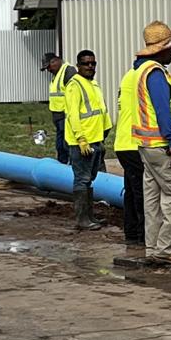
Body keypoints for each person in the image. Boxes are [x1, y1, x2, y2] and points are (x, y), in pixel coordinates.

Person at [131, 21, 171, 264]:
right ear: (160, 49)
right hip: (162, 146)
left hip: (147, 147)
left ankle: (153, 248)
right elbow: (162, 111)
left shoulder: (141, 70)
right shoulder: (156, 74)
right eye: (170, 46)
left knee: (153, 197)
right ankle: (166, 249)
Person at [63, 49, 112, 231]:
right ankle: (82, 219)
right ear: (78, 66)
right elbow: (72, 115)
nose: (90, 66)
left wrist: (104, 133)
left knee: (89, 179)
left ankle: (89, 216)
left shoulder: (93, 84)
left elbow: (101, 111)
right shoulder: (75, 85)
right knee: (82, 179)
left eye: (93, 63)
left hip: (96, 140)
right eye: (86, 63)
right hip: (82, 143)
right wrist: (81, 138)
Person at [114, 59, 147, 247]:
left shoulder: (129, 76)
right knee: (143, 192)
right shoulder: (143, 77)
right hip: (135, 143)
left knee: (131, 190)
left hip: (124, 143)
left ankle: (132, 233)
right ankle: (144, 236)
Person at [41, 52, 75, 165]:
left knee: (67, 146)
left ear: (55, 61)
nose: (48, 70)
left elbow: (74, 95)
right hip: (58, 118)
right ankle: (62, 169)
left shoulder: (68, 72)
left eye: (48, 67)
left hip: (66, 117)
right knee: (60, 147)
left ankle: (72, 167)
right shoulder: (56, 75)